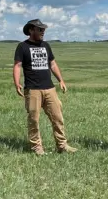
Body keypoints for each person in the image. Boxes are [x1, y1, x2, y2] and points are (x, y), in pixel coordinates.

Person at [12, 19, 77, 155]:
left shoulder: (46, 45)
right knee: (34, 119)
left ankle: (62, 145)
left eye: (43, 30)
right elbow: (17, 65)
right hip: (32, 89)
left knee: (58, 117)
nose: (43, 32)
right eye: (40, 29)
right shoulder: (22, 47)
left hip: (49, 88)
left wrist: (61, 80)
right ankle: (37, 147)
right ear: (31, 30)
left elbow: (52, 64)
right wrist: (16, 82)